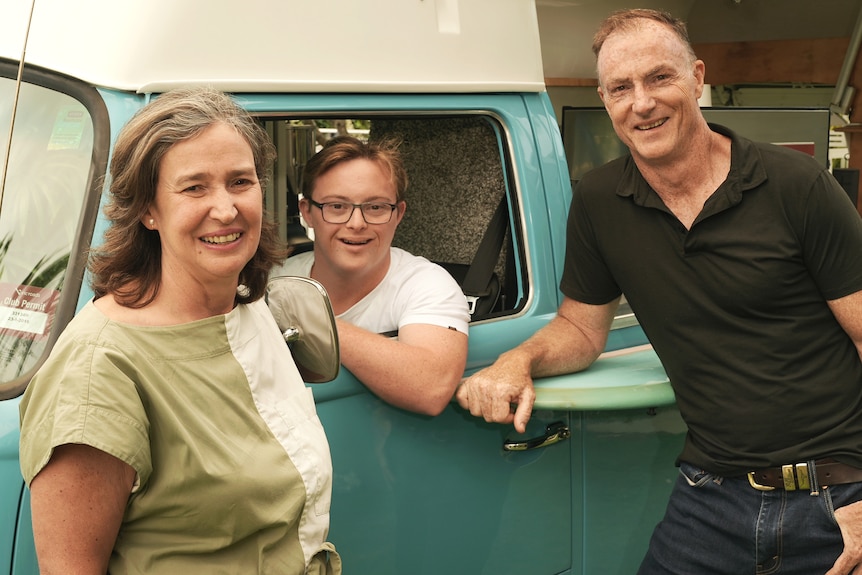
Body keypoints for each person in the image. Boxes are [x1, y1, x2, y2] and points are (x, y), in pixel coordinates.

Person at [456, 8, 862, 575]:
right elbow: (580, 329)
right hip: (710, 495)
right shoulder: (600, 201)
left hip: (837, 495)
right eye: (621, 87)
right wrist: (516, 360)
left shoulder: (797, 187)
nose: (641, 102)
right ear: (604, 99)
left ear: (697, 78)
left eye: (658, 78)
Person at [18, 87, 341, 574]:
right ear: (148, 209)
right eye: (194, 187)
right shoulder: (97, 370)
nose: (226, 209)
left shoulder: (247, 308)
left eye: (240, 181)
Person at [273, 136, 469, 416]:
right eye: (336, 206)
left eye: (375, 207)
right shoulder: (275, 280)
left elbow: (431, 388)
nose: (356, 224)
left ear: (398, 214)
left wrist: (311, 321)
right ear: (307, 212)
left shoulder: (428, 285)